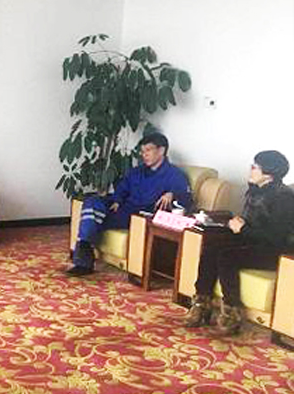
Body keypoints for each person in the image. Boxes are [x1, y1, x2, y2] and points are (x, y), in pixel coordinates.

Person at [185, 150, 294, 336]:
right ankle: (201, 303)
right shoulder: (255, 190)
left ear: (269, 173)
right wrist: (238, 223)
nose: (250, 170)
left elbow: (275, 237)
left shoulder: (284, 198)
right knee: (211, 246)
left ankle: (232, 311)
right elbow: (252, 224)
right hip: (252, 241)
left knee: (227, 256)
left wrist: (242, 229)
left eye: (255, 167)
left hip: (276, 251)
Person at [67, 133, 192, 276]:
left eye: (148, 150)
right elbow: (122, 188)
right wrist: (117, 200)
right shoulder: (136, 171)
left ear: (161, 150)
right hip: (123, 207)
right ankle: (84, 247)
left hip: (140, 214)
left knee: (93, 219)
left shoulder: (175, 174)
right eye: (142, 151)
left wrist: (172, 194)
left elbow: (186, 199)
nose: (144, 155)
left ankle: (83, 258)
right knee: (92, 202)